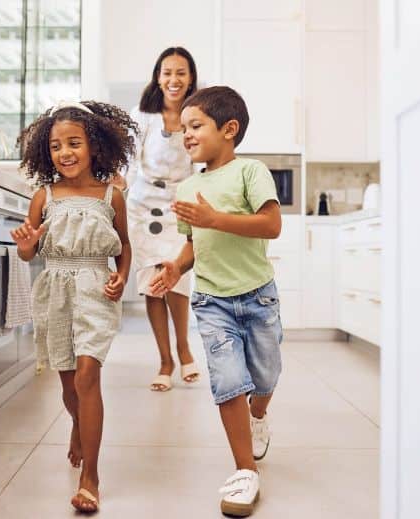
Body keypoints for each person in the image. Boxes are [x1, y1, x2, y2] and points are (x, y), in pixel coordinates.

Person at [148, 86, 283, 517]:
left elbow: (270, 225)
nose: (186, 135)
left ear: (229, 129)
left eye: (195, 126)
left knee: (265, 375)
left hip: (258, 296)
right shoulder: (188, 186)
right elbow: (194, 245)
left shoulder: (251, 172)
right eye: (183, 128)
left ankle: (258, 412)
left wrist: (215, 219)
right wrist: (175, 267)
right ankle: (245, 471)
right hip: (211, 300)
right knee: (227, 380)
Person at [11, 100, 137, 513]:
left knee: (87, 377)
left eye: (74, 143)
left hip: (96, 286)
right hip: (55, 289)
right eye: (56, 146)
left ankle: (91, 477)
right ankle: (78, 427)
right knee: (68, 386)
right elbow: (31, 254)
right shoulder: (42, 197)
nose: (65, 153)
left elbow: (124, 245)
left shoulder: (111, 195)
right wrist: (28, 249)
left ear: (94, 145)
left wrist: (120, 275)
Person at [121, 46, 201, 392]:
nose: (173, 80)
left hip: (179, 207)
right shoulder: (142, 115)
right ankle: (166, 360)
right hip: (143, 207)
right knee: (152, 285)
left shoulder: (198, 114)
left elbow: (202, 159)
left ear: (191, 78)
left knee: (177, 279)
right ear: (158, 77)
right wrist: (116, 185)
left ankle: (184, 349)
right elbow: (128, 161)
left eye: (180, 73)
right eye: (167, 73)